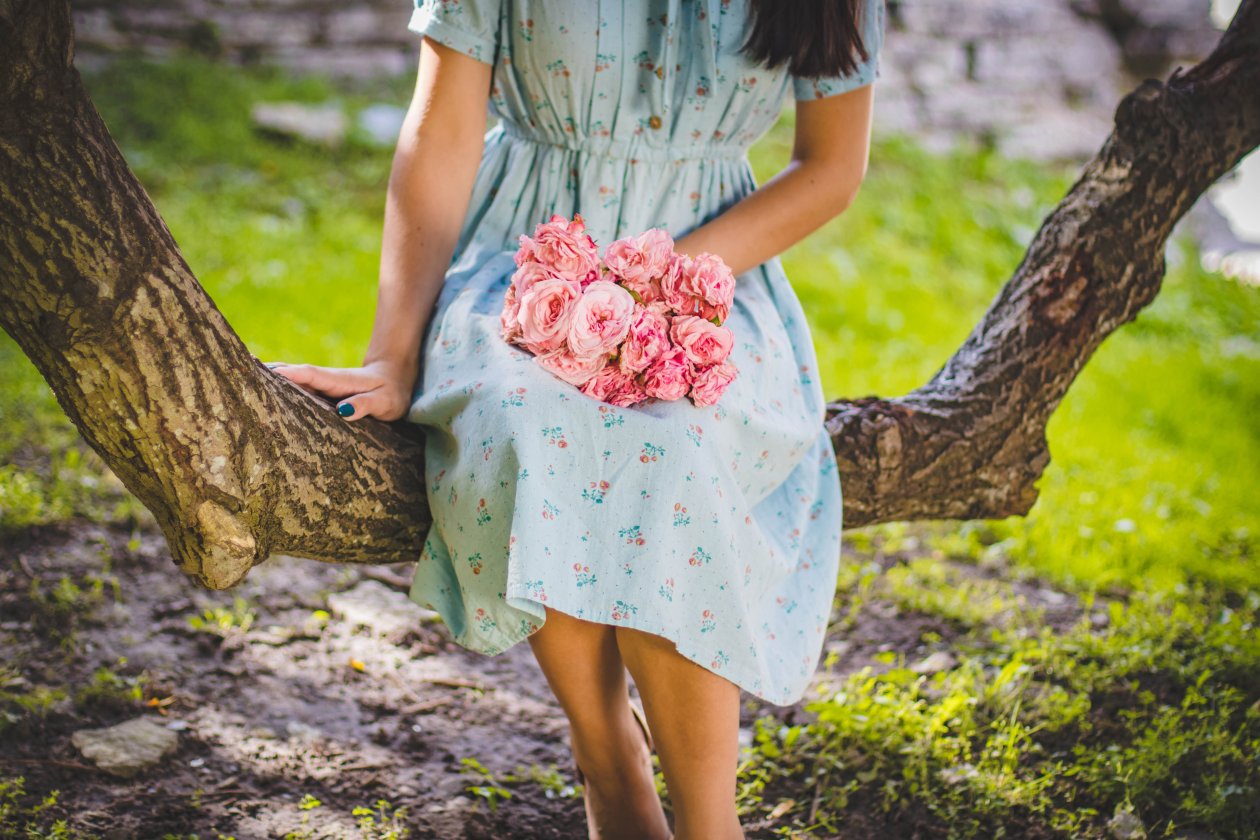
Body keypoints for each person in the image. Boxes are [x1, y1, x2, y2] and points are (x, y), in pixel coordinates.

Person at [270, 0, 883, 836]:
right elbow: (442, 131)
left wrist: (661, 280)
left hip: (709, 271)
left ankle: (713, 826)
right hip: (525, 264)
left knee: (677, 448)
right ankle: (611, 762)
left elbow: (832, 167)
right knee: (532, 420)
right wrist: (393, 353)